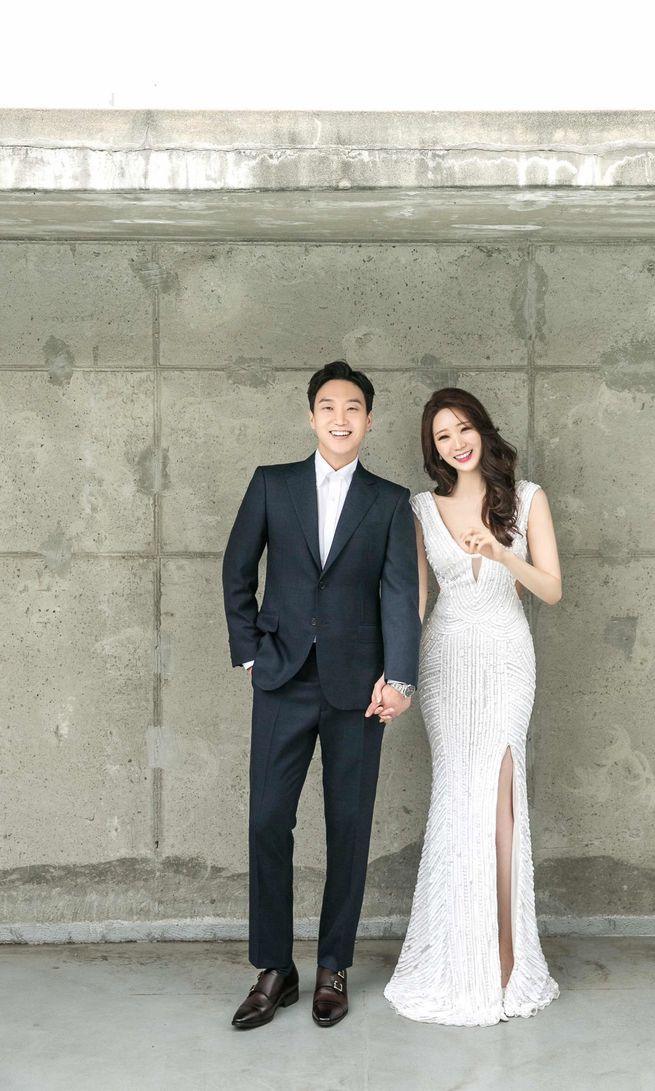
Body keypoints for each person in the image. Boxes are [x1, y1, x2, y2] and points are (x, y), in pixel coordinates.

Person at [223, 360, 421, 1030]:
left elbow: (400, 594)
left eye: (353, 408)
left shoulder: (389, 501)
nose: (341, 418)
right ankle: (274, 969)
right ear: (311, 416)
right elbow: (236, 569)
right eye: (329, 407)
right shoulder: (272, 484)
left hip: (358, 687)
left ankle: (334, 964)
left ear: (369, 420)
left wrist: (399, 678)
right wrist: (251, 650)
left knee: (349, 827)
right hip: (282, 677)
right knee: (267, 820)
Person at [384, 387, 562, 1026]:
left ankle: (508, 958)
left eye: (463, 428)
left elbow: (551, 589)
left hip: (507, 656)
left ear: (482, 431)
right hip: (448, 660)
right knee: (459, 798)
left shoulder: (528, 498)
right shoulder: (420, 508)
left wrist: (500, 551)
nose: (456, 442)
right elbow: (414, 603)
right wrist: (398, 679)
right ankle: (460, 953)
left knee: (502, 809)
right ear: (433, 450)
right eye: (443, 436)